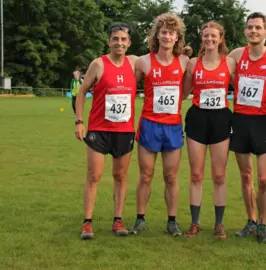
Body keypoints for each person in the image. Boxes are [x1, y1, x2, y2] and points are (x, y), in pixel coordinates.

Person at [74, 22, 138, 240]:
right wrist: (79, 121)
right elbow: (82, 93)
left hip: (125, 130)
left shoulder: (134, 63)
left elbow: (160, 59)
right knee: (94, 176)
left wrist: (183, 51)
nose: (119, 43)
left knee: (120, 175)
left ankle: (118, 220)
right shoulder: (98, 64)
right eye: (115, 39)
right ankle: (87, 223)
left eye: (123, 39)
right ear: (109, 41)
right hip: (99, 129)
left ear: (129, 43)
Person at [128, 13, 189, 237]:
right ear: (157, 35)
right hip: (149, 124)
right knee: (145, 175)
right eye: (163, 31)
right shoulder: (143, 61)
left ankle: (172, 221)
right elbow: (128, 89)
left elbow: (189, 90)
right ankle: (140, 219)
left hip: (172, 126)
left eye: (171, 32)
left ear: (177, 37)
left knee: (171, 176)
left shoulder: (184, 62)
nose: (166, 36)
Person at [227, 12, 266, 243]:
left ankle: (262, 224)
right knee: (245, 175)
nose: (253, 31)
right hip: (240, 120)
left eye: (258, 28)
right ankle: (251, 221)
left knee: (263, 178)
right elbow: (215, 66)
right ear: (245, 31)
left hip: (262, 122)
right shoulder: (236, 55)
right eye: (250, 27)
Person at [181, 21, 235, 239]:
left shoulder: (230, 63)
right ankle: (195, 223)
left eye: (214, 35)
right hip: (197, 118)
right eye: (206, 35)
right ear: (201, 38)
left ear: (221, 38)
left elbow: (246, 87)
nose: (209, 39)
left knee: (219, 175)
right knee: (196, 174)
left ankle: (219, 224)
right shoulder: (193, 63)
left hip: (221, 119)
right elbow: (183, 92)